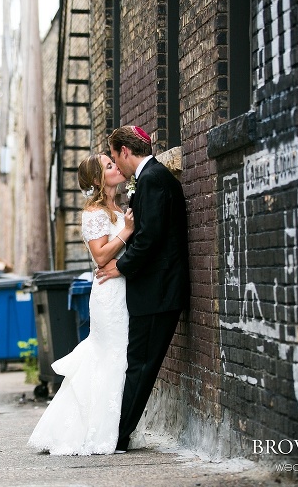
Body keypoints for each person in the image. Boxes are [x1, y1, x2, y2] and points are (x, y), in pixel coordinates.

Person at [28, 152, 134, 455]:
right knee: (109, 357)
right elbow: (101, 256)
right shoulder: (93, 213)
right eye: (109, 166)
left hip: (123, 288)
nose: (117, 167)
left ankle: (112, 426)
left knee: (116, 357)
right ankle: (92, 431)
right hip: (108, 293)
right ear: (98, 180)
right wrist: (126, 231)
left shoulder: (118, 207)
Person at [98, 125, 190, 453]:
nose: (116, 165)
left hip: (157, 292)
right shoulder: (151, 177)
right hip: (153, 291)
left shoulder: (152, 178)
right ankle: (117, 433)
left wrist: (119, 267)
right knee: (137, 361)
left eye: (114, 157)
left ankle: (117, 437)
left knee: (140, 364)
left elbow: (150, 237)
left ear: (125, 150)